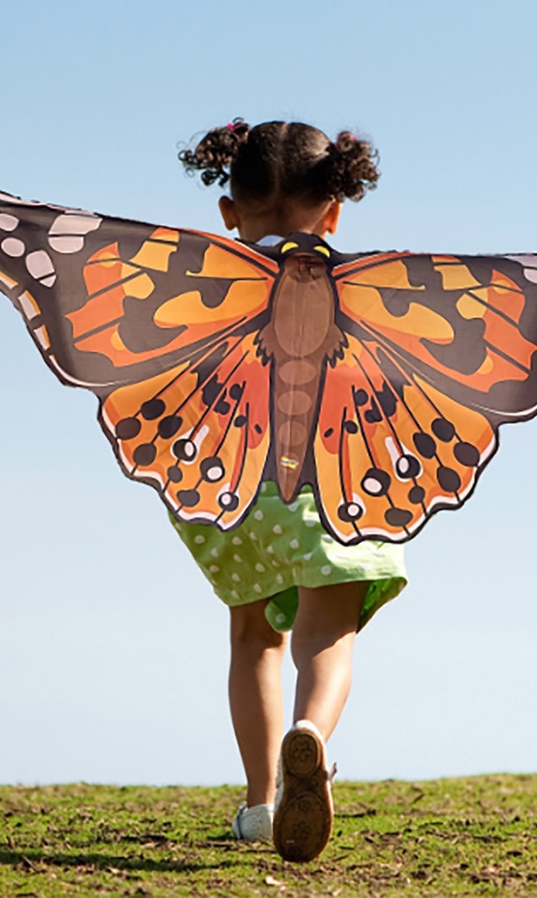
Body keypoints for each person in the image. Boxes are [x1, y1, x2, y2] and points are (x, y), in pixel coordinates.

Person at [173, 119, 408, 862]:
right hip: (334, 477)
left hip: (231, 487)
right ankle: (311, 738)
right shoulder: (360, 289)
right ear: (333, 211)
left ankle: (258, 806)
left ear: (229, 213)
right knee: (325, 636)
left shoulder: (201, 289)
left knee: (254, 639)